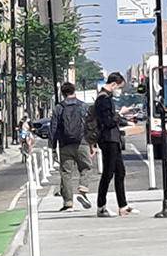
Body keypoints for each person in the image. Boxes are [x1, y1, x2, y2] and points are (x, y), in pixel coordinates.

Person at [94, 73, 135, 217]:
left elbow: (112, 119)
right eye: (120, 88)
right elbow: (109, 122)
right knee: (108, 173)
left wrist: (126, 121)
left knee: (120, 172)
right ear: (113, 84)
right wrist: (120, 113)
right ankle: (101, 206)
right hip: (108, 140)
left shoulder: (106, 99)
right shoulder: (103, 100)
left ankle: (123, 205)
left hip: (113, 139)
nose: (120, 91)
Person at [51, 82, 94, 212]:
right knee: (86, 167)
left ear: (63, 93)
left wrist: (53, 148)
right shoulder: (83, 106)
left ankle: (68, 202)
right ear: (74, 91)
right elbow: (89, 126)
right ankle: (83, 185)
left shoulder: (59, 108)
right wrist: (92, 144)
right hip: (82, 142)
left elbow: (53, 128)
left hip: (65, 145)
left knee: (66, 173)